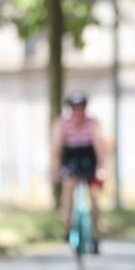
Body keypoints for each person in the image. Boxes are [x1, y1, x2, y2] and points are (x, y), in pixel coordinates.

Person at [50, 92, 105, 253]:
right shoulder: (62, 123)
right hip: (71, 159)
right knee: (68, 186)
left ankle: (95, 233)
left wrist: (102, 168)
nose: (78, 112)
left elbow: (100, 147)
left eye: (81, 108)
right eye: (75, 108)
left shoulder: (92, 123)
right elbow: (55, 149)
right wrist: (55, 170)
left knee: (94, 195)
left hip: (89, 158)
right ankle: (67, 225)